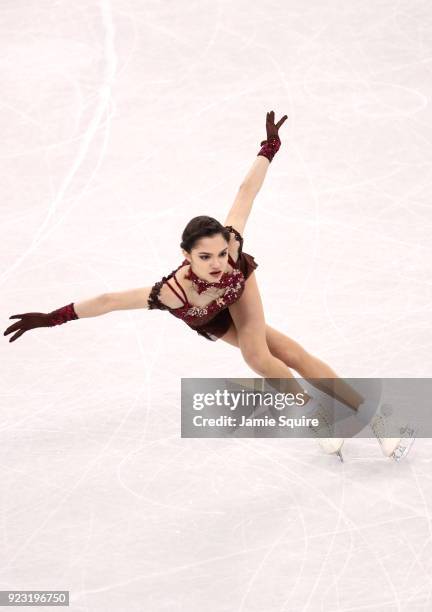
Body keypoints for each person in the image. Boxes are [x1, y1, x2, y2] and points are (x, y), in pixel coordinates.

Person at [3, 111, 415, 462]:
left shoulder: (231, 252)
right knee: (275, 354)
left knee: (266, 354)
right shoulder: (170, 293)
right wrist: (54, 318)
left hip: (241, 294)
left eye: (220, 254)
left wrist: (268, 149)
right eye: (205, 257)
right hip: (208, 317)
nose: (217, 263)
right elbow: (109, 300)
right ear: (185, 256)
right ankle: (317, 415)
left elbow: (245, 192)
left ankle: (371, 415)